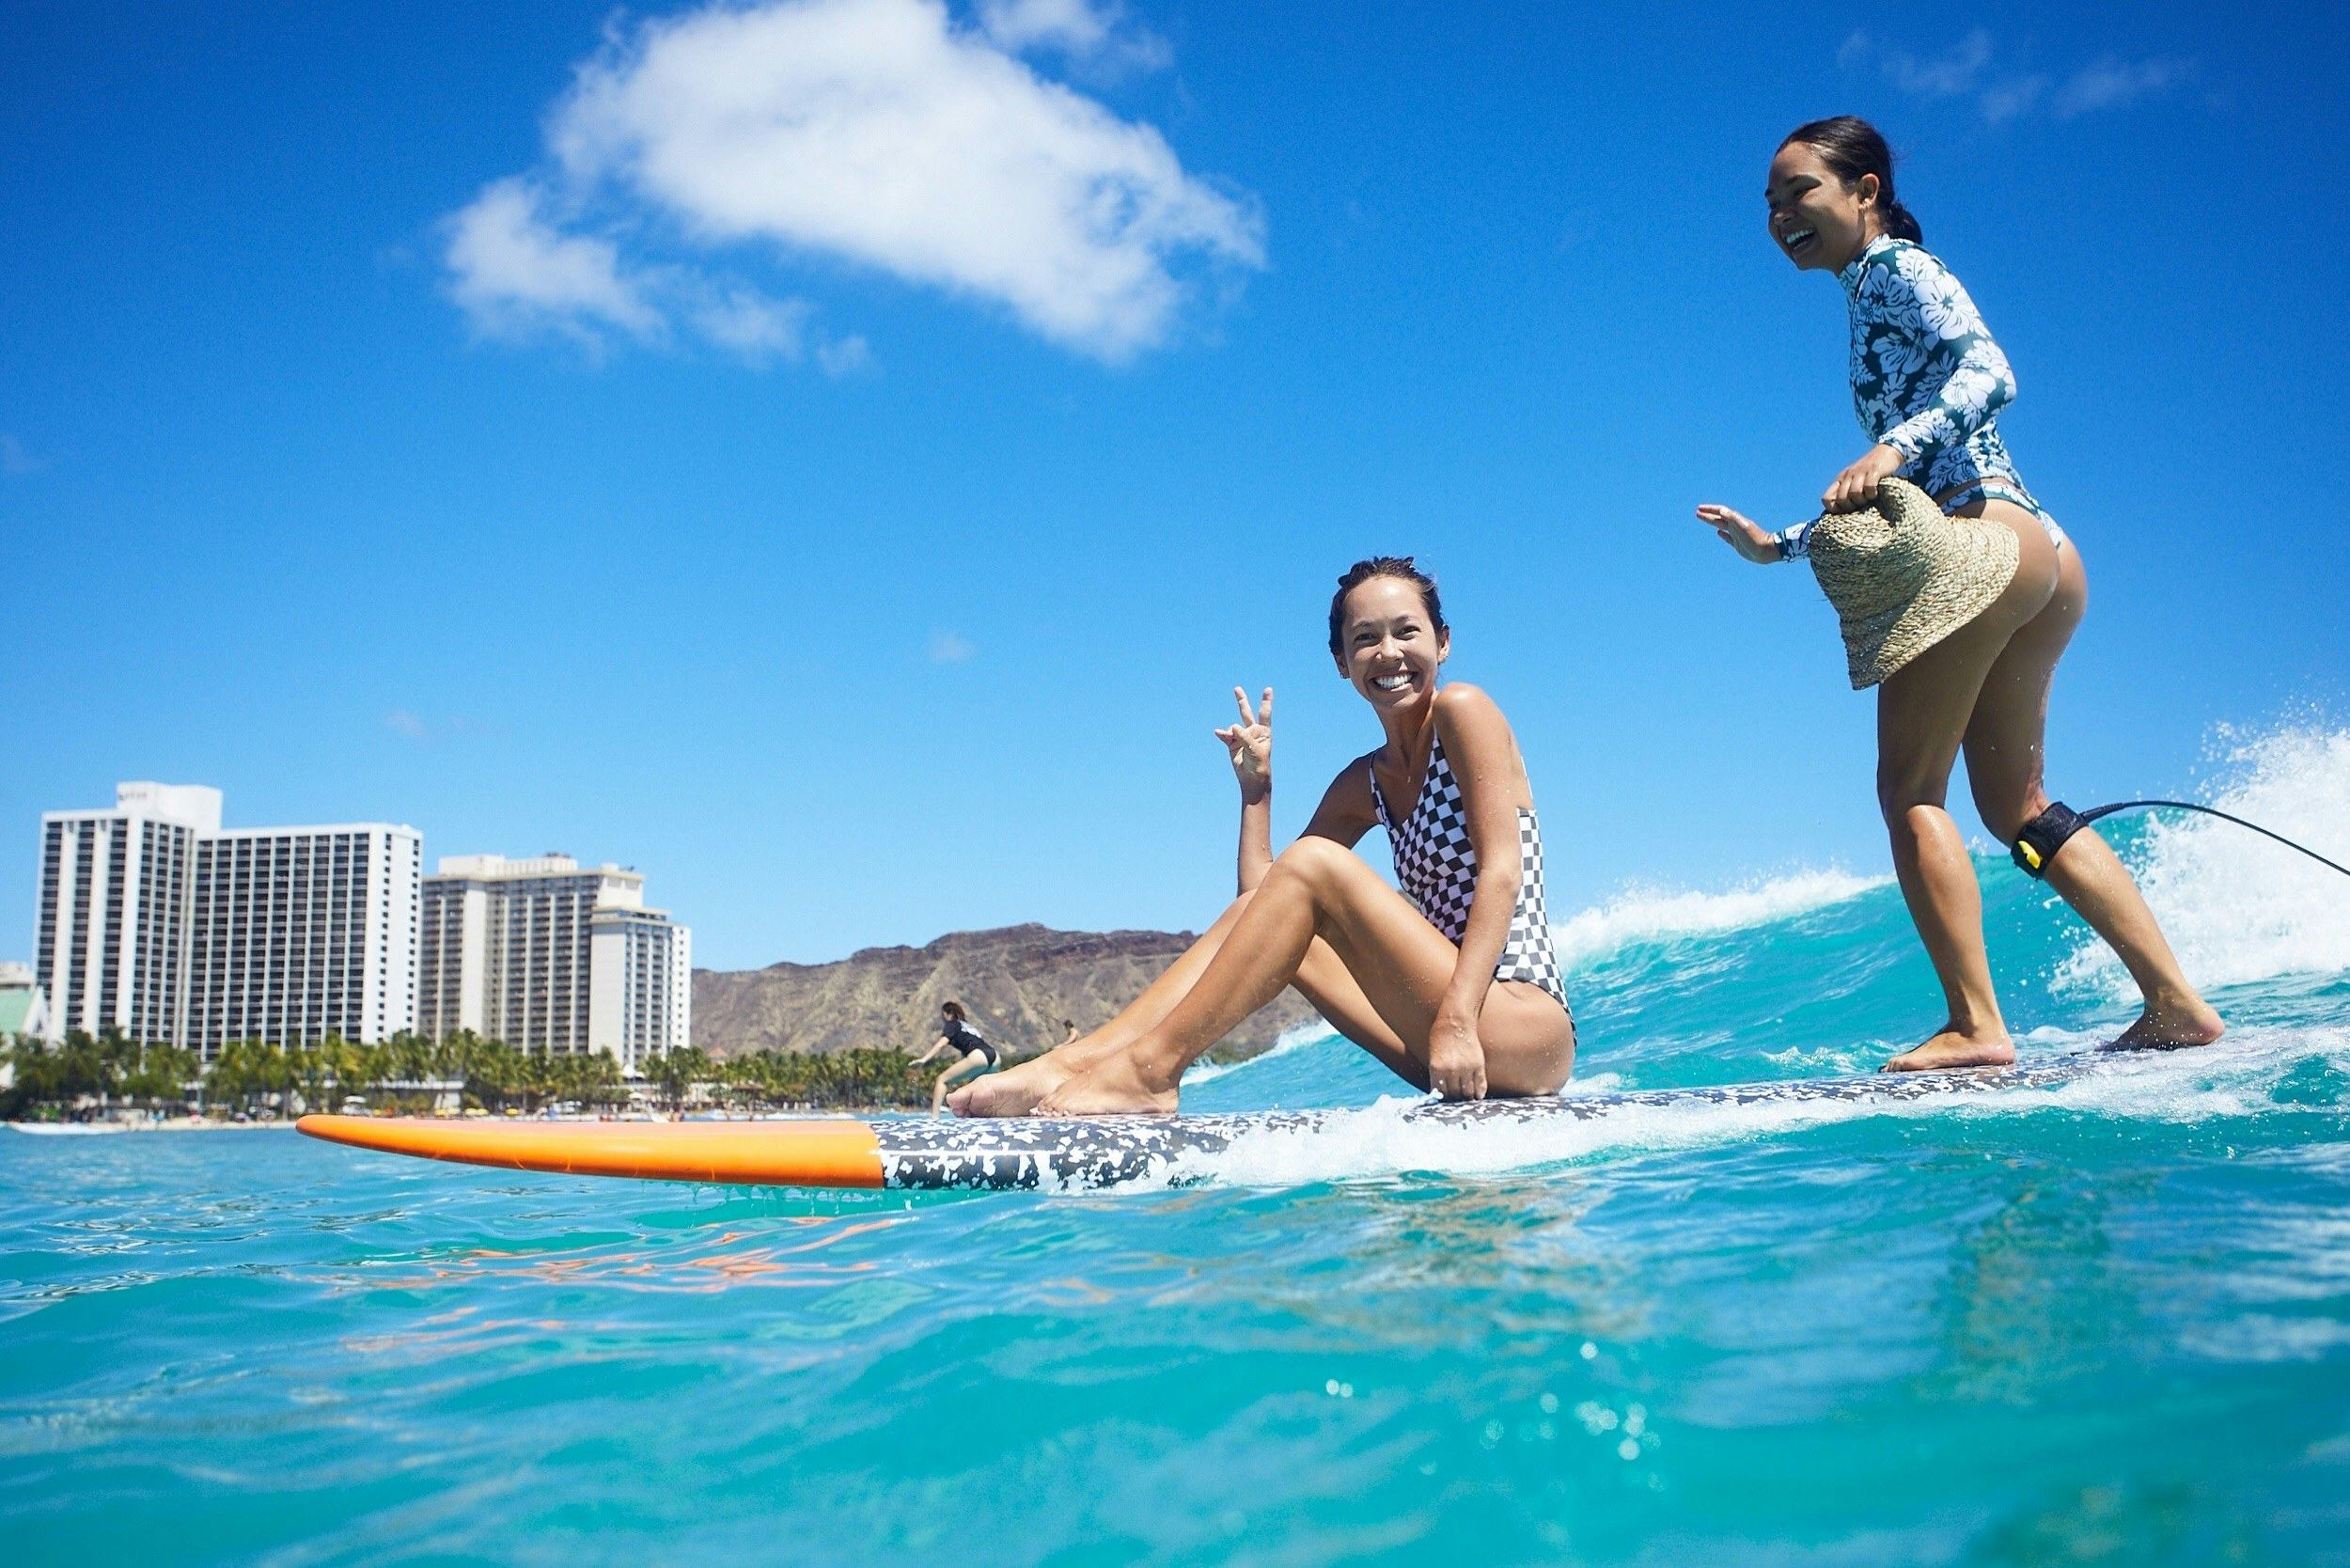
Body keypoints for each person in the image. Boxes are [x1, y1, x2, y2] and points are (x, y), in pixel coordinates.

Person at [1694, 115, 2220, 1072]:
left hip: (1980, 546)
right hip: (2037, 553)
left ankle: (1976, 1025)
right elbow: (1897, 506)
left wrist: (1890, 444)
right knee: (2018, 810)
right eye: (1769, 203)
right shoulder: (1866, 294)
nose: (1779, 215)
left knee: (1907, 791)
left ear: (1865, 191)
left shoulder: (1897, 270)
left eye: (1799, 191)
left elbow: (1990, 370)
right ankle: (2175, 1002)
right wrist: (1778, 548)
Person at [952, 557, 1575, 1117]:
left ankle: (1151, 1072)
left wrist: (1461, 1020)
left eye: (1406, 631)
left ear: (1442, 642)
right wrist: (1257, 793)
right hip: (1442, 1035)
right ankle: (1073, 1064)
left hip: (1520, 1026)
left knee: (1314, 864)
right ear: (1341, 662)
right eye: (1365, 639)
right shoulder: (1367, 782)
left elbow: (1501, 871)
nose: (1388, 652)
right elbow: (1265, 905)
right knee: (1282, 899)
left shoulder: (1463, 711)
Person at [909, 1001, 998, 1114]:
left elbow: (942, 1043)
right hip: (995, 1057)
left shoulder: (952, 1023)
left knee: (942, 1080)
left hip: (979, 1056)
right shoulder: (967, 1025)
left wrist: (924, 1059)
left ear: (949, 1014)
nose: (943, 1019)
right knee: (977, 1089)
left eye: (943, 1016)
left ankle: (934, 1119)